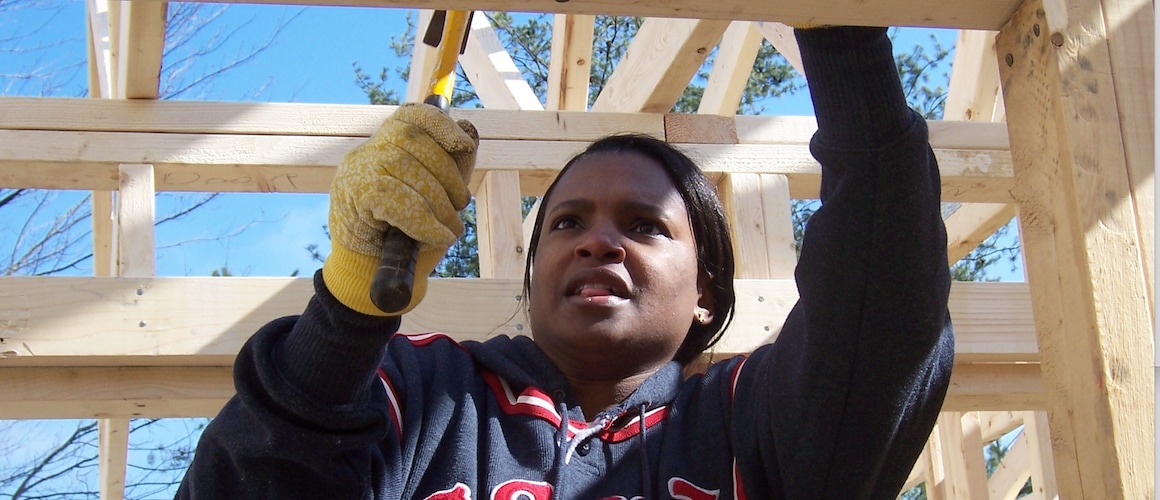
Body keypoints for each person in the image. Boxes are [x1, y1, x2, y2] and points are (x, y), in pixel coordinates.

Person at [177, 25, 953, 499]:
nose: (596, 240)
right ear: (532, 275)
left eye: (646, 225)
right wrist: (348, 313)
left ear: (707, 294)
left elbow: (885, 313)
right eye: (567, 222)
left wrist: (843, 42)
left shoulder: (751, 424)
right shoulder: (420, 393)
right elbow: (251, 482)